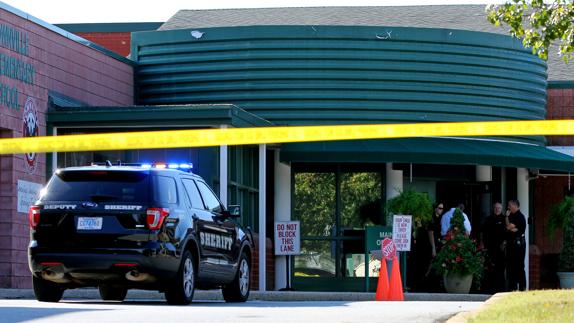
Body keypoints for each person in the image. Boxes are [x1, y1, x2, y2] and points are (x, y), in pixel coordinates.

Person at [481, 202, 508, 293]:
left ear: (501, 209)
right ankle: (490, 289)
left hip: (500, 248)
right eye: (496, 208)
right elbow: (483, 232)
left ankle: (501, 289)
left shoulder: (505, 219)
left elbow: (507, 233)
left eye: (499, 208)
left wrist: (504, 243)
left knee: (500, 268)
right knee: (490, 268)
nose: (497, 209)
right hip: (490, 247)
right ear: (493, 208)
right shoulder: (488, 219)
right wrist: (483, 244)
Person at [505, 199, 526, 291]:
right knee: (511, 266)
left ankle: (522, 287)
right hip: (511, 245)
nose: (508, 207)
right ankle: (512, 287)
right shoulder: (512, 216)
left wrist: (506, 217)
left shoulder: (519, 216)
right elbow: (509, 229)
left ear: (515, 205)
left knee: (519, 266)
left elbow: (509, 227)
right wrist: (509, 228)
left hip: (518, 245)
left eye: (510, 205)